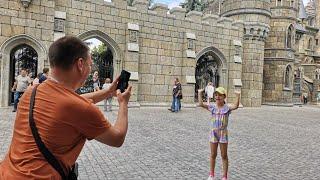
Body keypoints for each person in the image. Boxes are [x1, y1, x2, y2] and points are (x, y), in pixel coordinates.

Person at [0, 36, 132, 179]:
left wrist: (108, 92)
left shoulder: (32, 91)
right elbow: (117, 138)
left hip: (7, 172)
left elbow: (73, 102)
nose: (90, 69)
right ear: (80, 64)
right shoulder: (80, 108)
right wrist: (123, 104)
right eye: (90, 64)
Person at [198, 87, 240, 180]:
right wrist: (199, 93)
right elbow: (201, 104)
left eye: (220, 95)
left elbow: (236, 106)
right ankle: (211, 174)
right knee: (213, 154)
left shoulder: (227, 108)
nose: (217, 97)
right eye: (216, 95)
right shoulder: (213, 107)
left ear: (224, 96)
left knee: (224, 155)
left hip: (223, 133)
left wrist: (238, 95)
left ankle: (224, 176)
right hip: (213, 133)